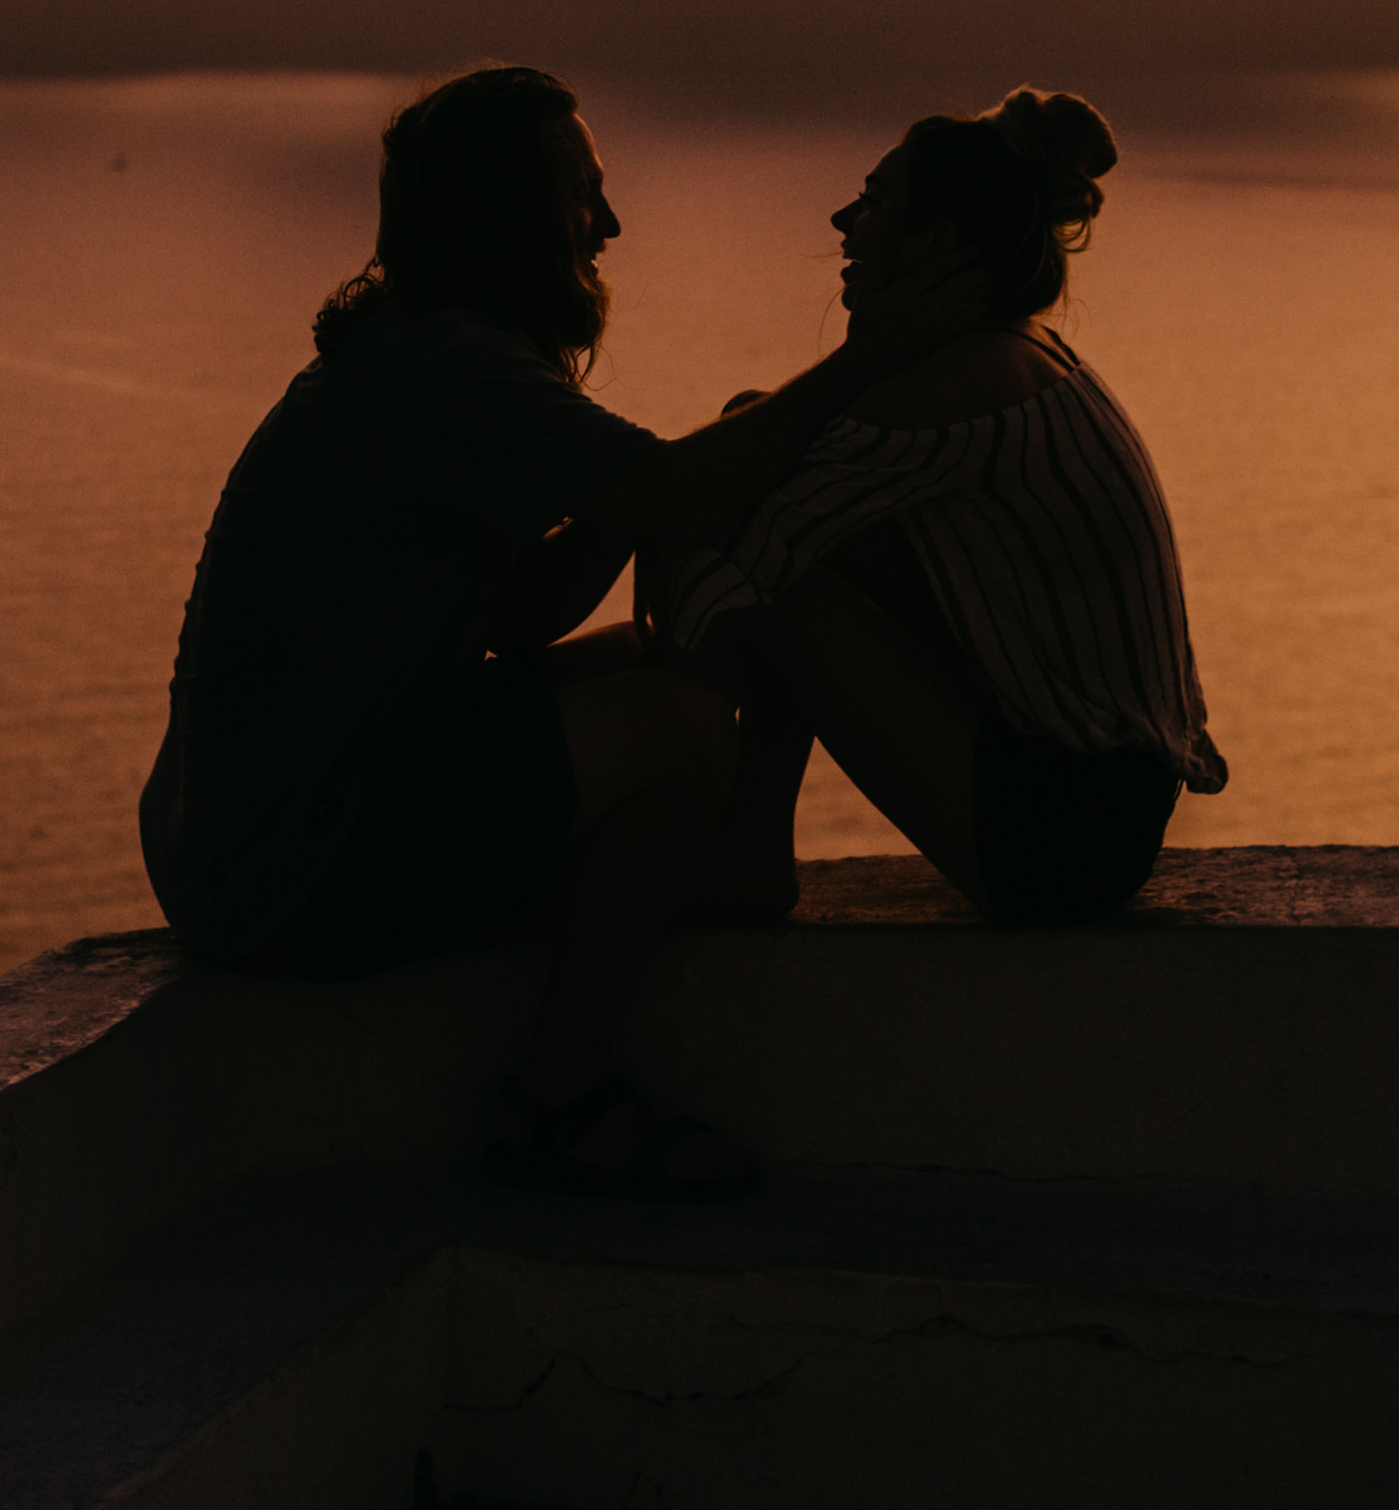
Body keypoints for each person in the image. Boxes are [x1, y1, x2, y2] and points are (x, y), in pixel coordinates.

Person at [137, 63, 975, 1203]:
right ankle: (558, 1100)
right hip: (288, 873)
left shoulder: (418, 357)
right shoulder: (452, 371)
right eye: (584, 193)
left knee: (645, 669)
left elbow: (527, 612)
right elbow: (682, 495)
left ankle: (692, 886)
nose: (611, 224)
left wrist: (630, 496)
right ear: (513, 219)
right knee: (680, 724)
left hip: (249, 841)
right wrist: (860, 361)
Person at [658, 88, 1224, 930]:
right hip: (1104, 812)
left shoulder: (959, 391)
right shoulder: (1016, 353)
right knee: (753, 445)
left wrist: (641, 669)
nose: (844, 218)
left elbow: (703, 540)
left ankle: (680, 848)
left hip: (1060, 846)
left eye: (877, 201)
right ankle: (748, 847)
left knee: (725, 533)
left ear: (936, 245)